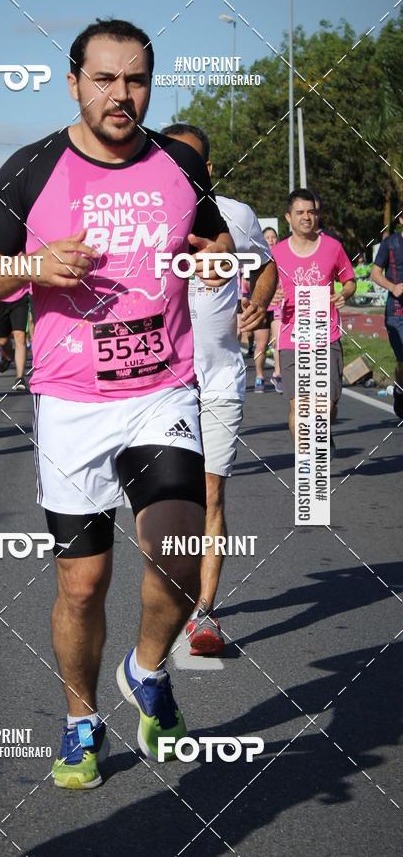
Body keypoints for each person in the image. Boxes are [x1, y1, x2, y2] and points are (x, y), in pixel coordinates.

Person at [0, 19, 235, 789]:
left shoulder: (180, 162)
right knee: (82, 585)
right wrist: (33, 265)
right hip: (73, 402)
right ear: (76, 82)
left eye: (137, 80)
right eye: (105, 79)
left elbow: (209, 237)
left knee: (179, 557)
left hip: (162, 388)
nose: (122, 95)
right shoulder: (32, 168)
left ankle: (147, 671)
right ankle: (82, 718)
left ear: (152, 85)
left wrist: (216, 262)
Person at [161, 123, 277, 655]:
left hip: (222, 376)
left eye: (190, 161)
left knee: (210, 494)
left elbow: (267, 265)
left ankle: (203, 616)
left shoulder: (237, 215)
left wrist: (259, 300)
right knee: (167, 504)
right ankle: (168, 598)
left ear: (206, 168)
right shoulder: (146, 220)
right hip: (161, 384)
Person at [273, 189, 356, 455]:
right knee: (299, 405)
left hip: (325, 336)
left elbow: (350, 281)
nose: (306, 217)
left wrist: (343, 293)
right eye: (300, 212)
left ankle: (323, 430)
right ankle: (306, 459)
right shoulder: (275, 252)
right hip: (292, 338)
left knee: (325, 408)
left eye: (311, 211)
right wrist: (271, 295)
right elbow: (262, 289)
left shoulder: (333, 247)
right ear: (289, 217)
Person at [370, 217, 403, 418]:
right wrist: (393, 287)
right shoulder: (390, 243)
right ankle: (400, 392)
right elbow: (375, 273)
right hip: (397, 311)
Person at [0, 284, 31, 389]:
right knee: (3, 342)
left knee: (20, 336)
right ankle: (9, 357)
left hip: (21, 297)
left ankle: (19, 378)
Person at [263, 227, 283, 392]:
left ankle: (277, 373)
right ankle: (258, 375)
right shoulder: (258, 255)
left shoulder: (283, 254)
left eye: (273, 237)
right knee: (260, 344)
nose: (271, 240)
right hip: (262, 302)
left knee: (278, 339)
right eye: (267, 237)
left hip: (278, 302)